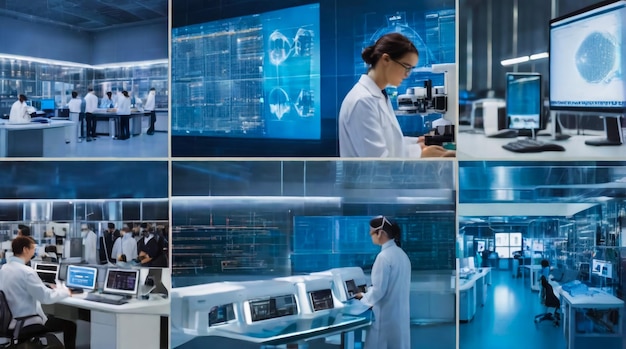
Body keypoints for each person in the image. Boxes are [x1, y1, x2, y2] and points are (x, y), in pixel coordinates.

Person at [338, 33, 454, 158]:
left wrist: (418, 142)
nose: (407, 74)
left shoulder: (379, 94)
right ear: (386, 59)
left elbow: (388, 143)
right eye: (406, 67)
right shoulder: (363, 101)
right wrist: (420, 154)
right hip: (368, 177)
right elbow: (377, 161)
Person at [0, 236, 76, 349]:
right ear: (25, 249)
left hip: (9, 321)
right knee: (70, 325)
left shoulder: (4, 269)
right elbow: (46, 297)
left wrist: (44, 286)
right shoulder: (27, 272)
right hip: (25, 322)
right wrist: (66, 292)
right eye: (33, 248)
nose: (34, 251)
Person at [355, 216, 410, 349]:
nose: (371, 236)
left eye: (372, 233)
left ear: (381, 233)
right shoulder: (401, 254)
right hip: (399, 317)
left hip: (385, 318)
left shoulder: (383, 257)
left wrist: (363, 297)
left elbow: (379, 290)